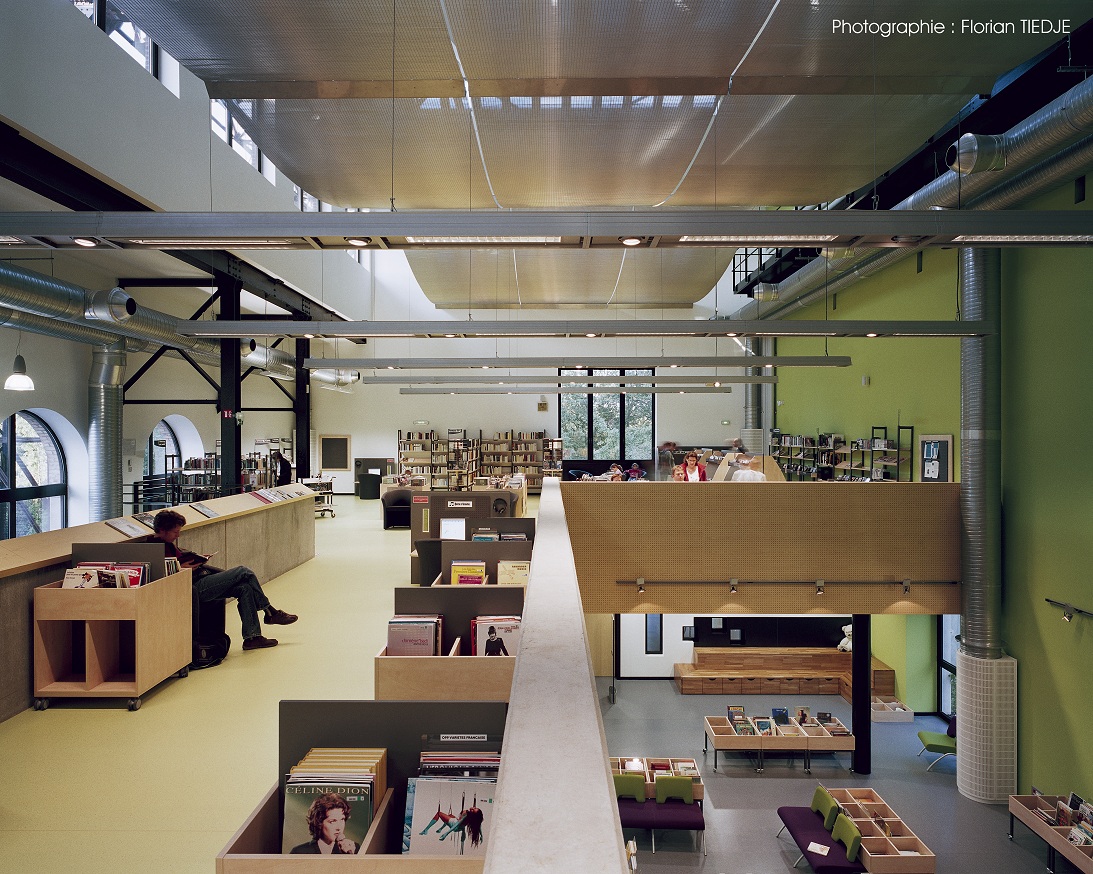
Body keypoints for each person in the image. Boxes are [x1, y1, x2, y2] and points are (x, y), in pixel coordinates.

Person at [151, 509, 297, 651]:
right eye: (175, 532)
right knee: (244, 571)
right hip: (194, 586)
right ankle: (270, 611)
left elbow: (180, 559)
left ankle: (252, 637)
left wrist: (198, 559)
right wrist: (182, 569)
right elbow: (162, 575)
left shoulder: (169, 545)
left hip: (200, 578)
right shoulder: (155, 548)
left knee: (245, 588)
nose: (178, 535)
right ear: (163, 530)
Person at [291, 792, 359, 854]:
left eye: (342, 819)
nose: (339, 827)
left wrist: (350, 857)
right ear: (319, 823)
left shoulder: (354, 848)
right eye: (333, 821)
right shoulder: (299, 852)